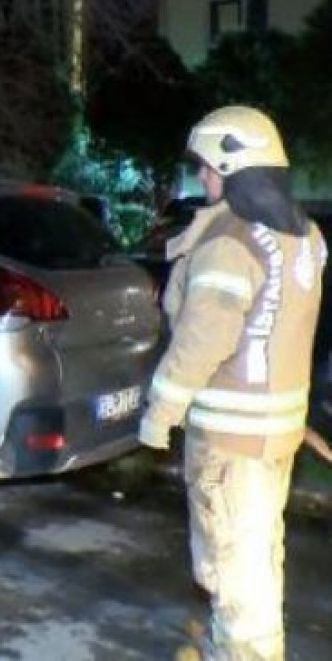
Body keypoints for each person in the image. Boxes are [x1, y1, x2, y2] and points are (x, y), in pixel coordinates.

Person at [139, 105, 326, 661]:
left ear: (235, 168)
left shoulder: (230, 242)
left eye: (208, 166)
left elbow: (203, 341)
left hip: (229, 443)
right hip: (275, 436)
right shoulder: (305, 235)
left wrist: (159, 414)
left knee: (231, 565)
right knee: (258, 553)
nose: (202, 176)